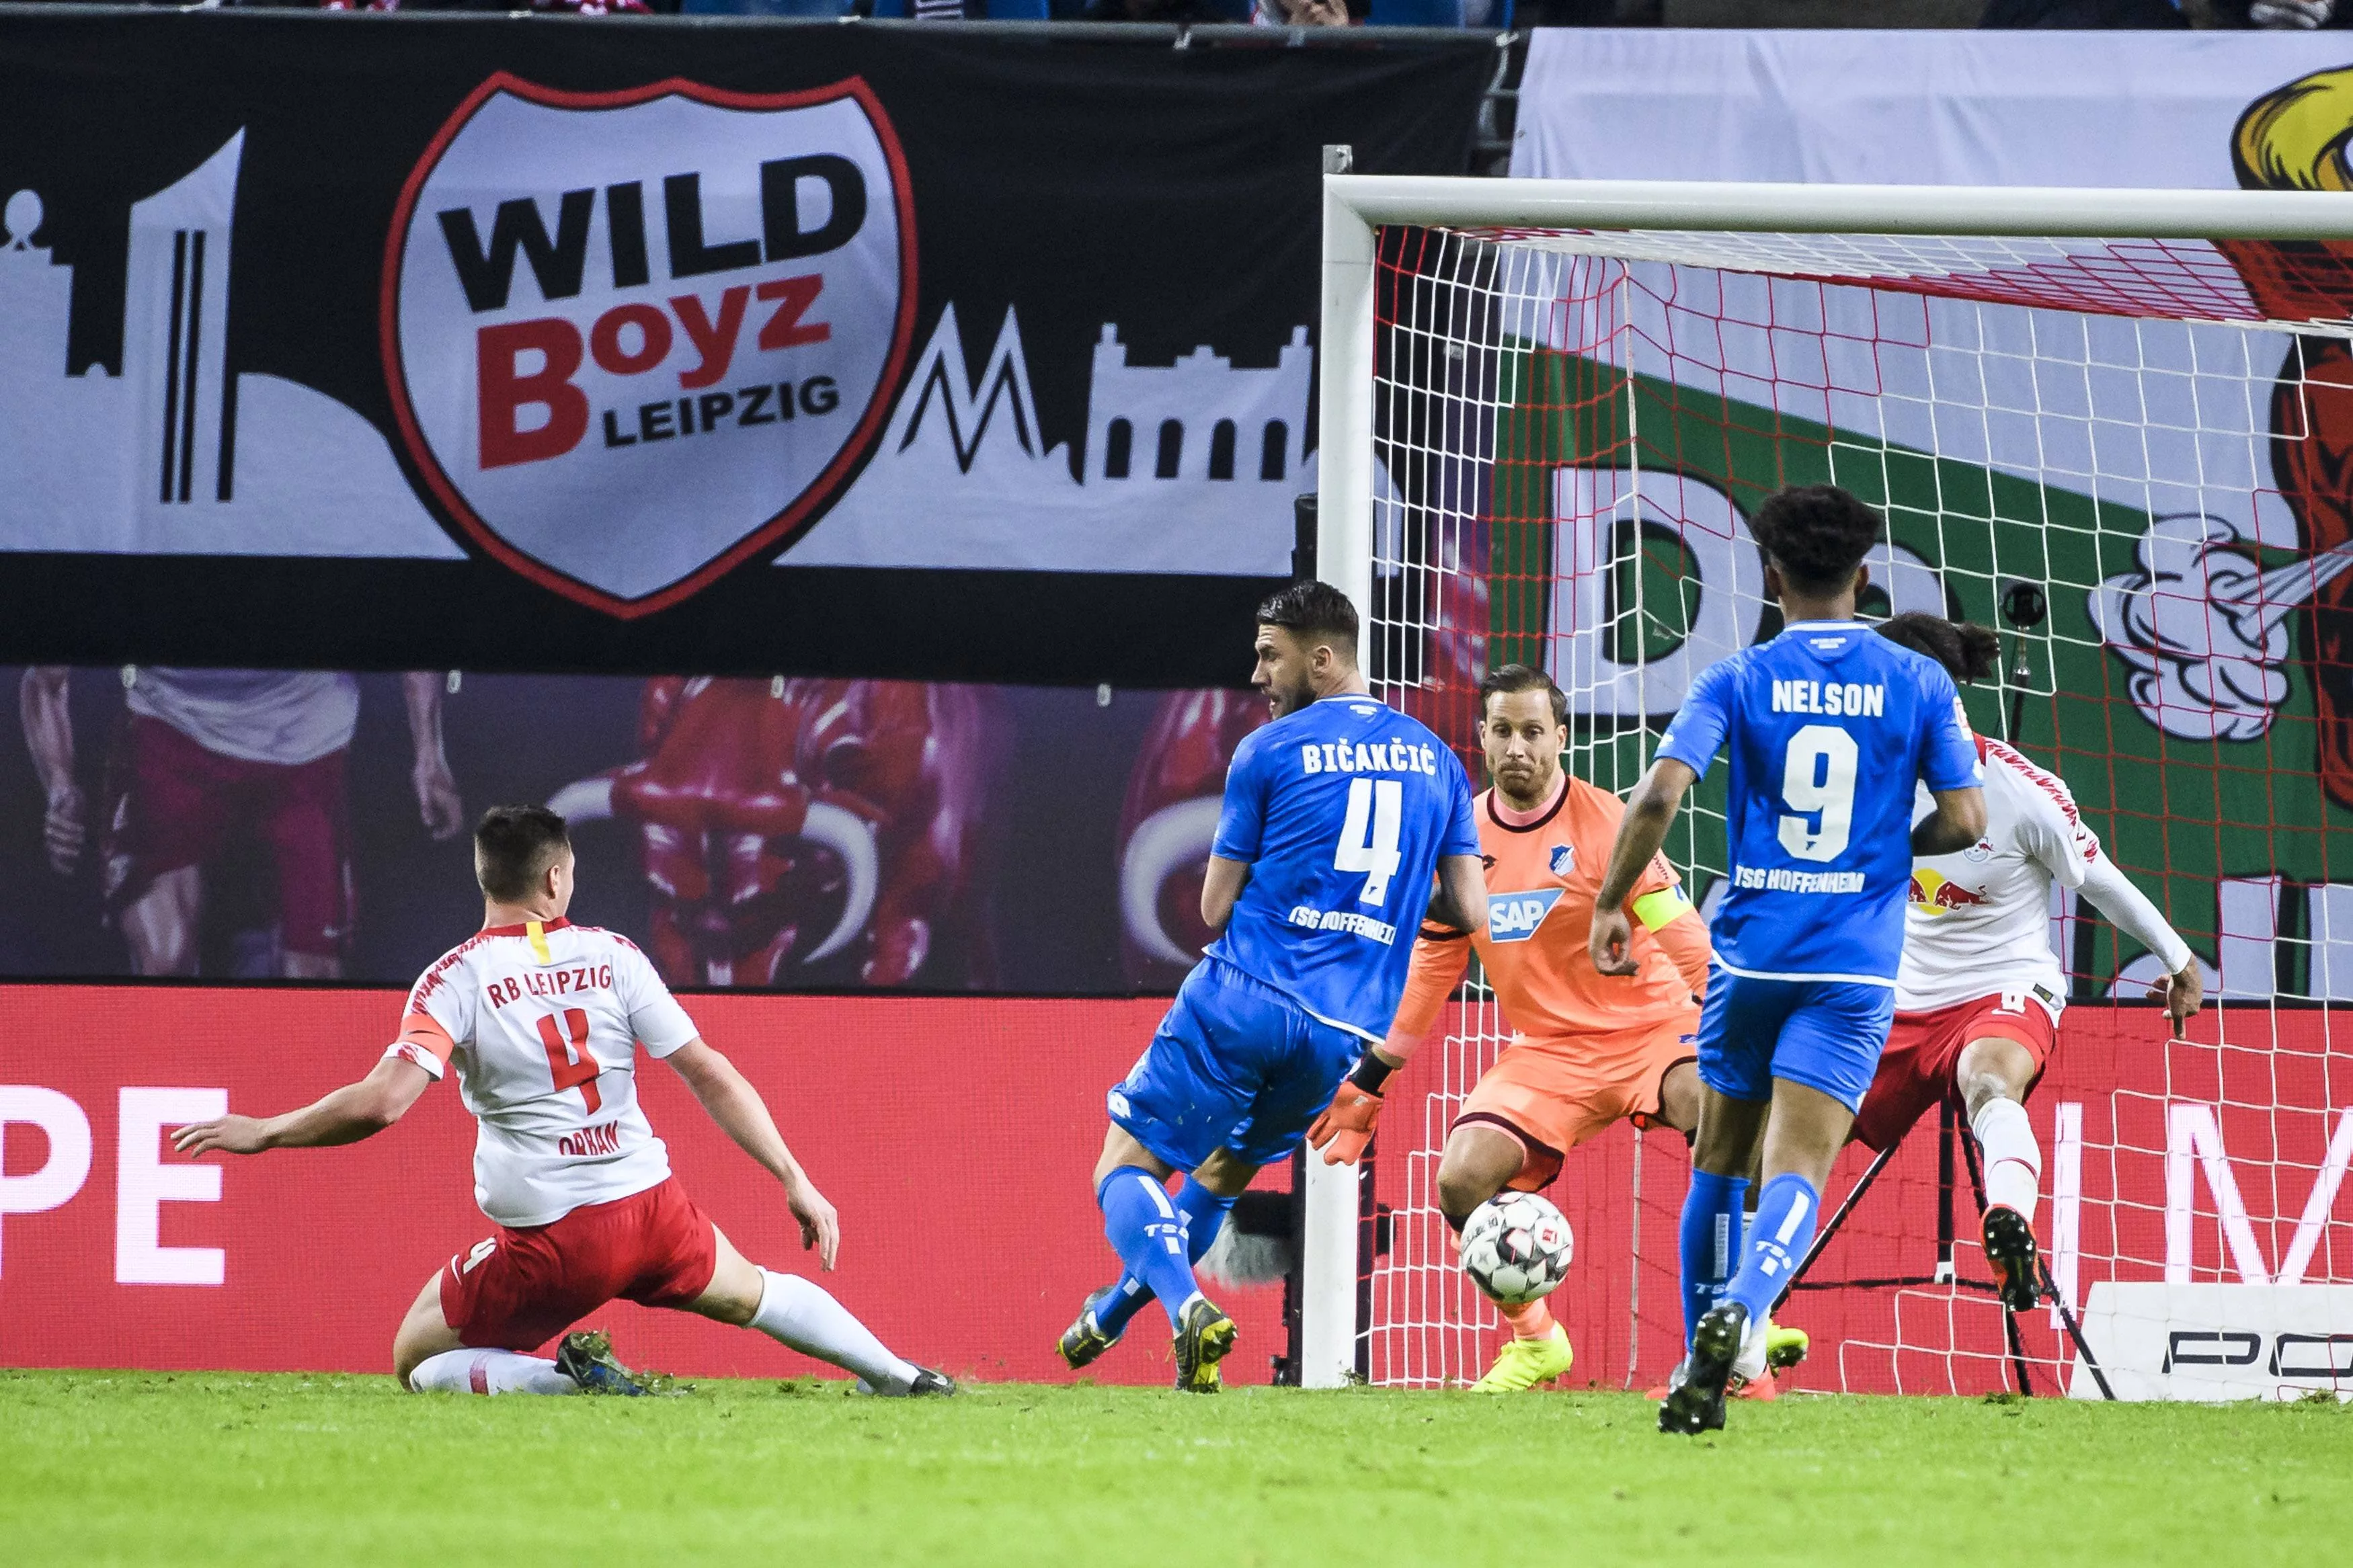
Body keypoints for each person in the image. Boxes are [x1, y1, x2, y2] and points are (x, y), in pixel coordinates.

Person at [171, 804, 951, 1399]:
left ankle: (573, 1382)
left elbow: (383, 1102)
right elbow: (708, 1069)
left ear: (486, 878)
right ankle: (901, 1375)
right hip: (654, 1212)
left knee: (416, 1354)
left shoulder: (454, 979)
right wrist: (793, 1176)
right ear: (553, 879)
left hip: (554, 1244)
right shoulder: (614, 954)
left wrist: (266, 1131)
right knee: (757, 1291)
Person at [1585, 485, 1987, 1436]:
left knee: (1720, 1161)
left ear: (1771, 576)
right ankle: (1749, 1311)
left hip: (1752, 955)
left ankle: (1697, 1360)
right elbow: (1968, 820)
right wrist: (1890, 847)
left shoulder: (1736, 675)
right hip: (1852, 965)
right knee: (1800, 1166)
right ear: (1863, 575)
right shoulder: (1919, 681)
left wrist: (1613, 900)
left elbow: (1657, 797)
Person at [1056, 581, 1487, 1392]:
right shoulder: (1440, 762)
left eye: (1269, 655)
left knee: (1123, 1163)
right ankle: (1113, 1314)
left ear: (1321, 658)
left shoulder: (1267, 751)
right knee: (1221, 1170)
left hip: (1246, 994)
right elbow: (1468, 909)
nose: (1256, 674)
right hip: (1341, 1032)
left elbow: (1213, 907)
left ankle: (1186, 1306)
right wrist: (1385, 904)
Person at [1304, 663, 1712, 1393]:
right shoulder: (1459, 843)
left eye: (1532, 730)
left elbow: (1680, 937)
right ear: (1482, 739)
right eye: (1502, 730)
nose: (1517, 745)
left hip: (1652, 1030)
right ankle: (1533, 1342)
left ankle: (1739, 1320)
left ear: (1561, 735)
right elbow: (1432, 967)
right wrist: (1371, 1077)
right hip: (1547, 1053)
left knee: (1719, 1120)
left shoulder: (1608, 826)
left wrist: (1733, 1022)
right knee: (1459, 1179)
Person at [1853, 613, 2201, 1309]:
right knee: (1804, 1120)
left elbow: (2097, 876)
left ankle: (2008, 1222)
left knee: (1987, 1083)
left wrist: (2178, 957)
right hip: (1898, 997)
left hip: (2002, 985)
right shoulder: (1853, 775)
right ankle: (1745, 1325)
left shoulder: (2017, 789)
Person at [19, 666, 464, 978]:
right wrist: (59, 784)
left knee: (312, 977)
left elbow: (411, 620)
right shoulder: (131, 542)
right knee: (164, 961)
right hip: (171, 736)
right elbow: (46, 678)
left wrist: (430, 754)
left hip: (305, 747)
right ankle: (173, 1094)